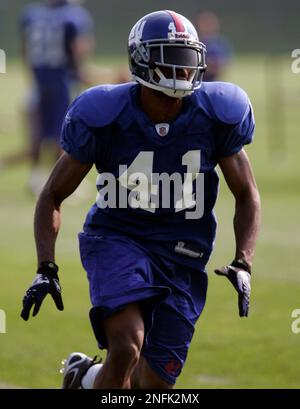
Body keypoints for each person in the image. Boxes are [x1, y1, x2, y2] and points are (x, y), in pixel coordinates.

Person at [20, 10, 261, 389]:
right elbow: (52, 193)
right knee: (128, 344)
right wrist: (45, 266)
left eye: (188, 59)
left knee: (154, 384)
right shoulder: (104, 113)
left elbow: (246, 193)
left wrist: (243, 261)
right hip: (118, 237)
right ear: (142, 61)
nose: (184, 71)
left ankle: (85, 378)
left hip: (184, 253)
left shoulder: (216, 114)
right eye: (172, 59)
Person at [1, 0, 94, 195]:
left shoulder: (32, 14)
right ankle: (62, 182)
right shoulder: (74, 16)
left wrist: (33, 75)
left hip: (39, 80)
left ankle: (35, 178)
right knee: (64, 134)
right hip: (62, 81)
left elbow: (26, 48)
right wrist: (80, 72)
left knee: (38, 135)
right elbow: (78, 49)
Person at [195, 11, 232, 81]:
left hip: (215, 80)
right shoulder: (196, 42)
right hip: (199, 81)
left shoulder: (221, 43)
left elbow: (227, 63)